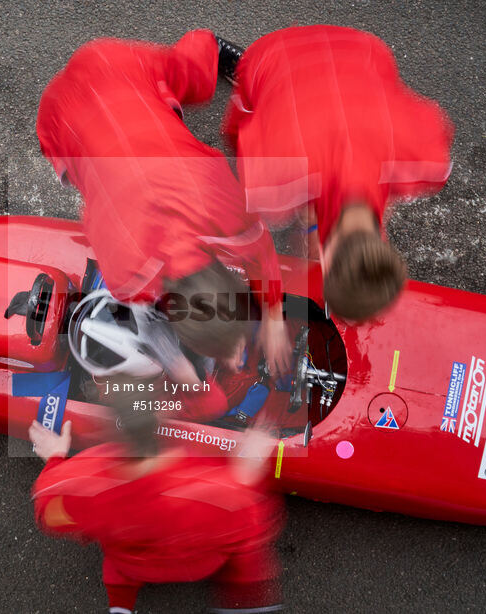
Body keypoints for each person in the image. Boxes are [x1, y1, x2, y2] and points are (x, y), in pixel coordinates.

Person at [37, 30, 292, 379]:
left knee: (195, 76)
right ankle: (206, 46)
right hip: (75, 101)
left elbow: (260, 250)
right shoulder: (126, 279)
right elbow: (259, 251)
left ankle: (208, 47)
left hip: (96, 80)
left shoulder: (224, 210)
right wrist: (270, 318)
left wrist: (271, 318)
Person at [220, 26, 455, 321]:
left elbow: (435, 122)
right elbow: (237, 133)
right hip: (275, 53)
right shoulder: (271, 185)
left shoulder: (429, 162)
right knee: (250, 108)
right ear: (325, 260)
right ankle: (240, 65)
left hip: (363, 46)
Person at [28, 402, 284, 613]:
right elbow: (252, 535)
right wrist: (248, 465)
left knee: (117, 570)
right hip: (197, 565)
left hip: (131, 562)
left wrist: (56, 460)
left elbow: (47, 514)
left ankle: (120, 606)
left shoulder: (85, 486)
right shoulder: (220, 488)